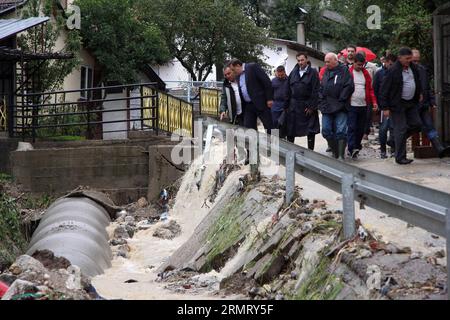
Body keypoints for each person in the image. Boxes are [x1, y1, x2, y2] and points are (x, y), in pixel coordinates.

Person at [379, 47, 423, 165]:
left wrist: (419, 93)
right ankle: (400, 157)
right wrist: (385, 107)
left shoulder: (413, 68)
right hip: (397, 104)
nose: (409, 60)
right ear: (400, 58)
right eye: (407, 58)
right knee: (401, 129)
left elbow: (417, 81)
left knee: (417, 124)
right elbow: (383, 90)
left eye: (410, 58)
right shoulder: (393, 70)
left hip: (411, 102)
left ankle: (394, 139)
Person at [412, 49, 450, 158]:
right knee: (412, 127)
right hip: (412, 106)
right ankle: (394, 143)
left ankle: (439, 148)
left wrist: (432, 101)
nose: (416, 63)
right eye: (414, 61)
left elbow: (427, 88)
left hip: (423, 104)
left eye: (418, 61)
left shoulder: (423, 70)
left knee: (429, 126)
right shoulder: (406, 71)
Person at [319, 53, 355, 160]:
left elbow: (349, 86)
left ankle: (340, 155)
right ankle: (335, 151)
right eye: (325, 62)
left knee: (341, 131)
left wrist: (341, 99)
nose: (326, 64)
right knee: (325, 130)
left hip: (341, 106)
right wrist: (320, 100)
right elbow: (321, 88)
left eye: (328, 61)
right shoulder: (325, 71)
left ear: (335, 60)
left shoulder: (344, 71)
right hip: (326, 106)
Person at [284, 52, 320, 150]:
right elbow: (287, 88)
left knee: (310, 130)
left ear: (307, 59)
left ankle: (310, 152)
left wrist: (312, 107)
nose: (300, 62)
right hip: (294, 106)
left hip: (307, 106)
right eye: (298, 60)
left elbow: (316, 90)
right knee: (291, 130)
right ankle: (290, 151)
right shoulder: (294, 72)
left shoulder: (313, 72)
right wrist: (286, 106)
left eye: (302, 60)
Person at [229, 59, 274, 133]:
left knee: (270, 127)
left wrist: (270, 99)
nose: (233, 72)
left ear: (238, 65)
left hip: (261, 103)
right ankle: (254, 144)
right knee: (249, 129)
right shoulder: (237, 76)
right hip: (248, 105)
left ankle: (274, 144)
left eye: (233, 70)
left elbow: (266, 82)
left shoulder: (252, 67)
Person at [347, 53, 378, 159]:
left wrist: (374, 102)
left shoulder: (365, 74)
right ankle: (351, 148)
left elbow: (370, 89)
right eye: (358, 65)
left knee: (361, 128)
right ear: (354, 63)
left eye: (362, 65)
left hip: (364, 105)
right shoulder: (348, 73)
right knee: (351, 127)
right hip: (351, 105)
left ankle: (356, 146)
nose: (360, 67)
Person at [374, 53, 397, 158]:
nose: (392, 66)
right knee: (383, 128)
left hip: (395, 105)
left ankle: (393, 149)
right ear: (386, 62)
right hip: (384, 105)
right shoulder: (379, 73)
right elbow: (376, 90)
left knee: (393, 128)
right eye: (390, 64)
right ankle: (383, 150)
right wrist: (379, 105)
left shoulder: (396, 72)